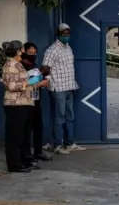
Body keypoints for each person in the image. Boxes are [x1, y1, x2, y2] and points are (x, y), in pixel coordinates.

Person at [1, 40, 49, 173]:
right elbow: (12, 86)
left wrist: (37, 80)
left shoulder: (18, 65)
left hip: (24, 104)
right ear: (17, 51)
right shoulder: (11, 65)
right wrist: (37, 84)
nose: (23, 52)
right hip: (16, 105)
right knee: (14, 137)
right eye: (22, 49)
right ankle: (14, 164)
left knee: (22, 136)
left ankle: (23, 161)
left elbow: (24, 82)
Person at [42, 23, 86, 154]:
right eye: (64, 34)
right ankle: (57, 145)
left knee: (69, 116)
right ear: (59, 34)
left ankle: (70, 143)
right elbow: (45, 68)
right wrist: (49, 83)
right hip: (58, 88)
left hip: (68, 87)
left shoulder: (68, 48)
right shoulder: (52, 50)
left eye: (68, 34)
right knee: (59, 117)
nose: (66, 36)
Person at [21, 42, 53, 162]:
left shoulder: (34, 65)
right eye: (30, 53)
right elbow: (25, 84)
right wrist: (39, 82)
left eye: (35, 53)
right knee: (27, 129)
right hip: (26, 101)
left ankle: (38, 152)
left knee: (38, 127)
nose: (33, 55)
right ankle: (27, 154)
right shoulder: (21, 67)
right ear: (24, 52)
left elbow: (36, 78)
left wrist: (43, 77)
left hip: (36, 100)